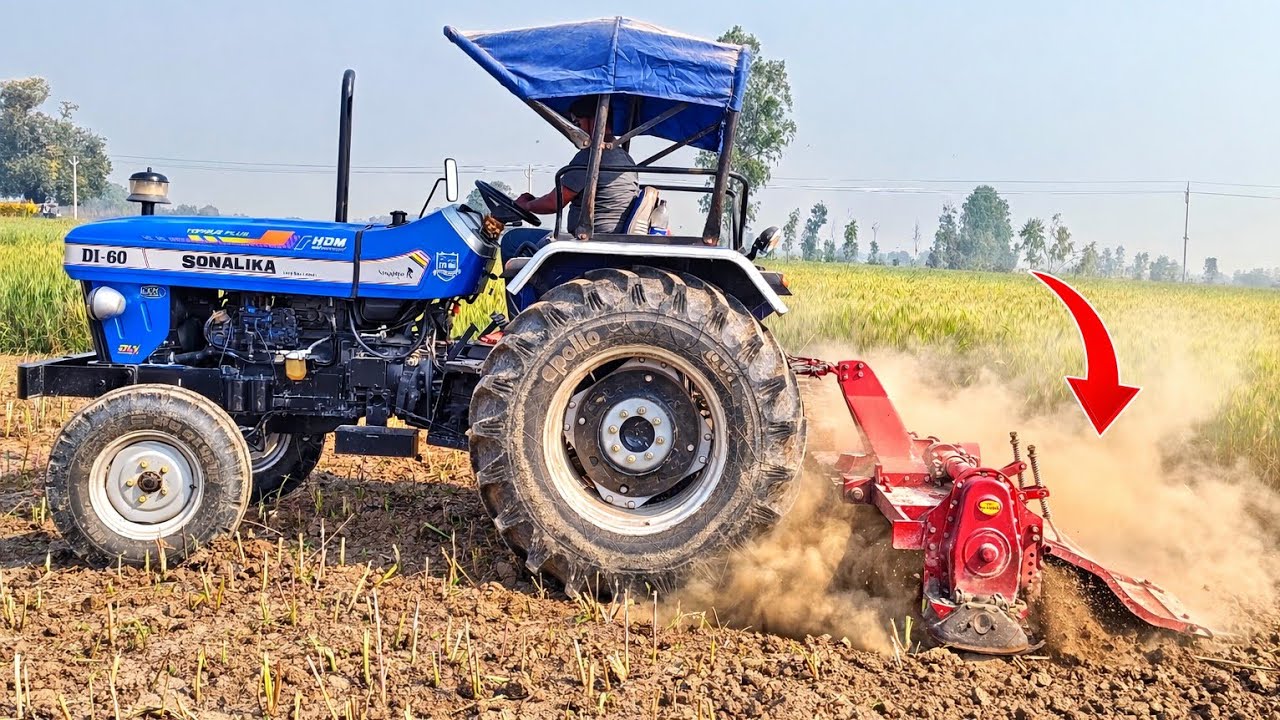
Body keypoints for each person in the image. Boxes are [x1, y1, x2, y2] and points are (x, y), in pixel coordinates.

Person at [515, 95, 639, 237]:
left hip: (591, 238)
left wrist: (526, 205)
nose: (576, 131)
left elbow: (553, 203)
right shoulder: (627, 160)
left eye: (577, 124)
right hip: (611, 235)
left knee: (512, 239)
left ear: (595, 121)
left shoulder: (592, 157)